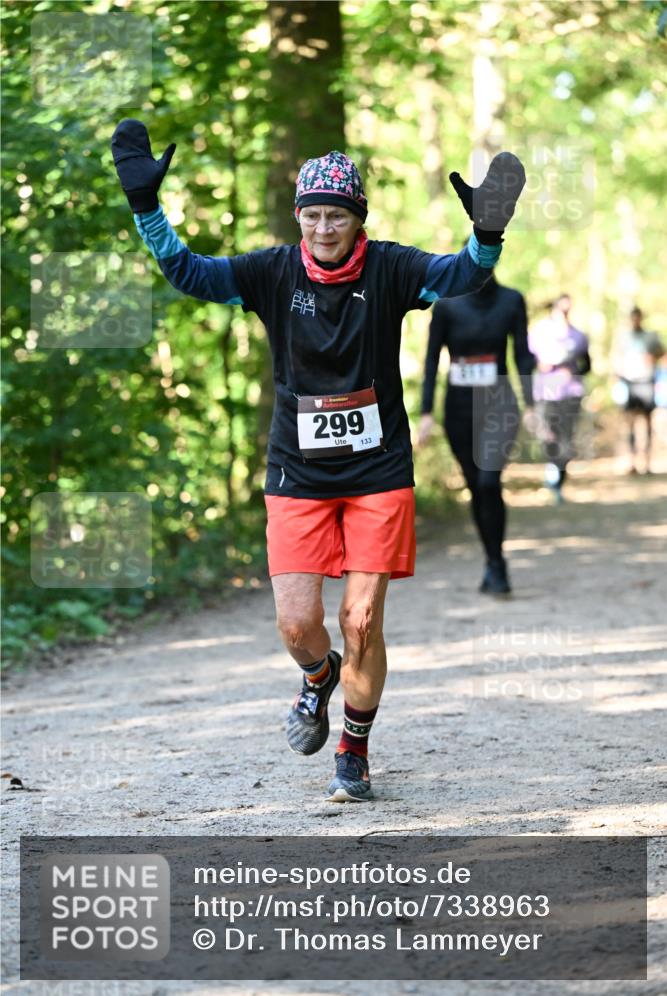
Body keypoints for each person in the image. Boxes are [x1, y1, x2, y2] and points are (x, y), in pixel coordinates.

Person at [111, 120, 525, 801]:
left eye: (337, 215)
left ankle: (353, 750)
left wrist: (486, 233)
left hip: (378, 469)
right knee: (297, 624)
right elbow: (188, 272)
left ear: (356, 219)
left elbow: (460, 275)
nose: (324, 228)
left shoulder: (391, 268)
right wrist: (145, 208)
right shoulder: (270, 272)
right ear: (298, 217)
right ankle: (316, 675)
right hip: (297, 473)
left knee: (360, 619)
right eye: (313, 215)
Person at [418, 272, 534, 595]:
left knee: (488, 481)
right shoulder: (446, 304)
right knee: (475, 486)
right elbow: (431, 359)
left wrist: (532, 404)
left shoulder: (512, 300)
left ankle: (497, 566)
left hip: (500, 405)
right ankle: (492, 560)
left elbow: (522, 355)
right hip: (458, 409)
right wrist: (426, 412)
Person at [528, 294, 590, 503]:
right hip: (545, 393)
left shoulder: (578, 336)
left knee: (566, 440)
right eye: (561, 309)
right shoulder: (539, 331)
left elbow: (587, 365)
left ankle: (557, 483)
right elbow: (529, 359)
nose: (564, 312)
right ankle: (552, 473)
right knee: (547, 435)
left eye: (568, 309)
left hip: (570, 393)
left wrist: (573, 371)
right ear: (553, 308)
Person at [612, 307, 664, 474]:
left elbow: (663, 353)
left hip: (646, 381)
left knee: (648, 422)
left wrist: (653, 357)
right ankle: (632, 461)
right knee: (630, 423)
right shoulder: (624, 338)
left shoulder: (650, 337)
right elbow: (617, 359)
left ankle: (647, 461)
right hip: (630, 382)